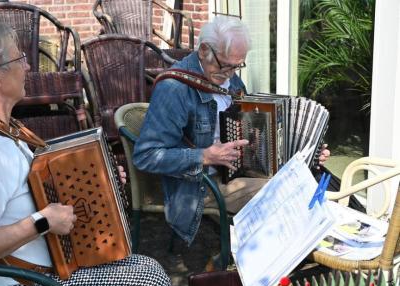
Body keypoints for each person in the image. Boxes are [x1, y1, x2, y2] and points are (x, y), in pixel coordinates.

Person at [0, 21, 170, 286]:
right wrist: (43, 221)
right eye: (18, 59)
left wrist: (103, 185)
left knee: (130, 265)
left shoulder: (2, 132)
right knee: (151, 280)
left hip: (35, 283)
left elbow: (30, 190)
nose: (26, 66)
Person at [133, 16, 330, 245]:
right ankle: (251, 262)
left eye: (236, 66)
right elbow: (145, 156)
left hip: (237, 172)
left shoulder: (232, 81)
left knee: (307, 178)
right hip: (198, 186)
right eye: (224, 65)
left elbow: (245, 133)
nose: (229, 74)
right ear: (204, 49)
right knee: (280, 191)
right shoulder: (174, 89)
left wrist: (307, 150)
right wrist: (205, 155)